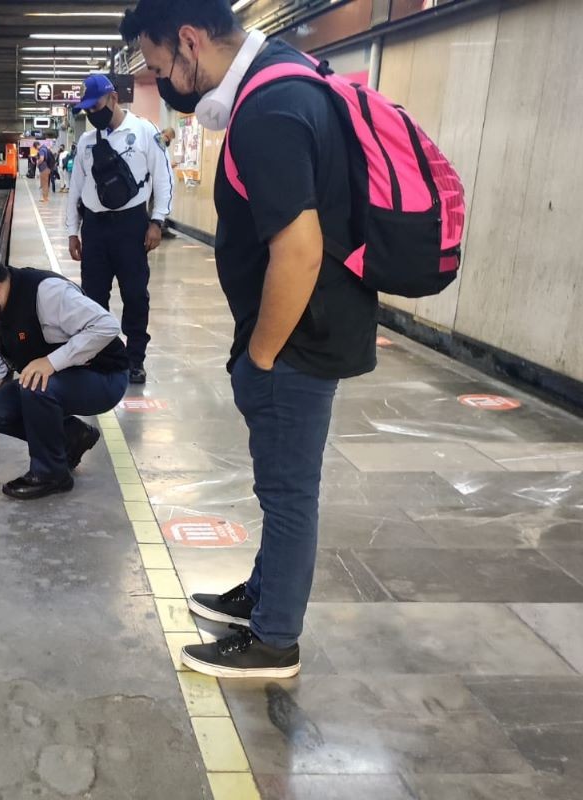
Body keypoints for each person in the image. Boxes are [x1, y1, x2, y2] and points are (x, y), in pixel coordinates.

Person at [121, 0, 378, 679]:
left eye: (157, 67)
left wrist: (259, 356)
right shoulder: (289, 75)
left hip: (297, 341)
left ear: (189, 41)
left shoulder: (269, 109)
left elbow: (298, 249)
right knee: (280, 488)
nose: (162, 82)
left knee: (290, 492)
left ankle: (274, 639)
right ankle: (263, 595)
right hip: (309, 330)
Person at [0, 253, 129, 500]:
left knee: (34, 386)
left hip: (104, 376)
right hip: (64, 379)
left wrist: (51, 362)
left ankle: (51, 474)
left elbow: (107, 326)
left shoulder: (47, 293)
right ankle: (72, 436)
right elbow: (0, 370)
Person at [66, 73, 172, 386]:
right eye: (86, 110)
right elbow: (76, 190)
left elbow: (163, 178)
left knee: (136, 295)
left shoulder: (143, 131)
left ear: (113, 98)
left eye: (94, 106)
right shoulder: (86, 143)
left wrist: (158, 220)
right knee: (93, 298)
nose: (91, 114)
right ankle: (102, 357)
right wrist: (73, 231)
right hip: (95, 229)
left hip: (132, 225)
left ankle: (135, 359)